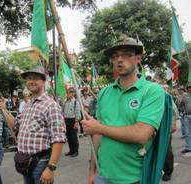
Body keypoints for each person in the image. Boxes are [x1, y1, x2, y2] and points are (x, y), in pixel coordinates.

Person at [82, 35, 165, 184]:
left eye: (126, 54)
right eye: (115, 56)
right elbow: (97, 137)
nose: (119, 59)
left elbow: (141, 134)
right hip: (103, 177)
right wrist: (92, 171)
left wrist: (98, 127)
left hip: (137, 178)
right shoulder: (104, 93)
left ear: (138, 58)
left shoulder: (152, 91)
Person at [0, 65, 66, 184]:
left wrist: (50, 168)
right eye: (29, 78)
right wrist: (3, 111)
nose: (31, 81)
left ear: (44, 81)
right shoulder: (27, 105)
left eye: (35, 78)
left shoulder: (51, 105)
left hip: (41, 163)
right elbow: (15, 125)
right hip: (25, 162)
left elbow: (58, 139)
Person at [63, 87, 82, 157]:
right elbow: (64, 111)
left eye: (71, 92)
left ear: (73, 94)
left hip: (73, 120)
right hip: (67, 120)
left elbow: (77, 113)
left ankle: (75, 151)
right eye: (68, 92)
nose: (69, 94)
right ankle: (71, 150)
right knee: (69, 136)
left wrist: (76, 122)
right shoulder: (66, 102)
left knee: (74, 137)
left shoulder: (75, 102)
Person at [180, 82, 191, 155]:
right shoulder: (185, 96)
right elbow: (181, 104)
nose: (190, 89)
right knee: (187, 133)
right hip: (187, 115)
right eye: (189, 87)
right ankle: (188, 147)